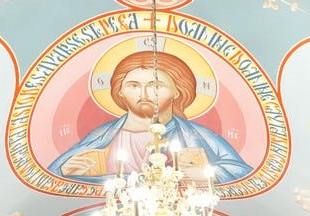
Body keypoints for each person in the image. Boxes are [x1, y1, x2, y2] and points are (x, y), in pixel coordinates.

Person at [49, 51, 249, 182]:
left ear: (178, 91)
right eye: (133, 86)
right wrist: (63, 171)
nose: (144, 94)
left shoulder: (197, 136)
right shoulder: (100, 137)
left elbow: (241, 172)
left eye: (156, 86)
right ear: (120, 91)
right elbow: (54, 174)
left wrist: (209, 174)